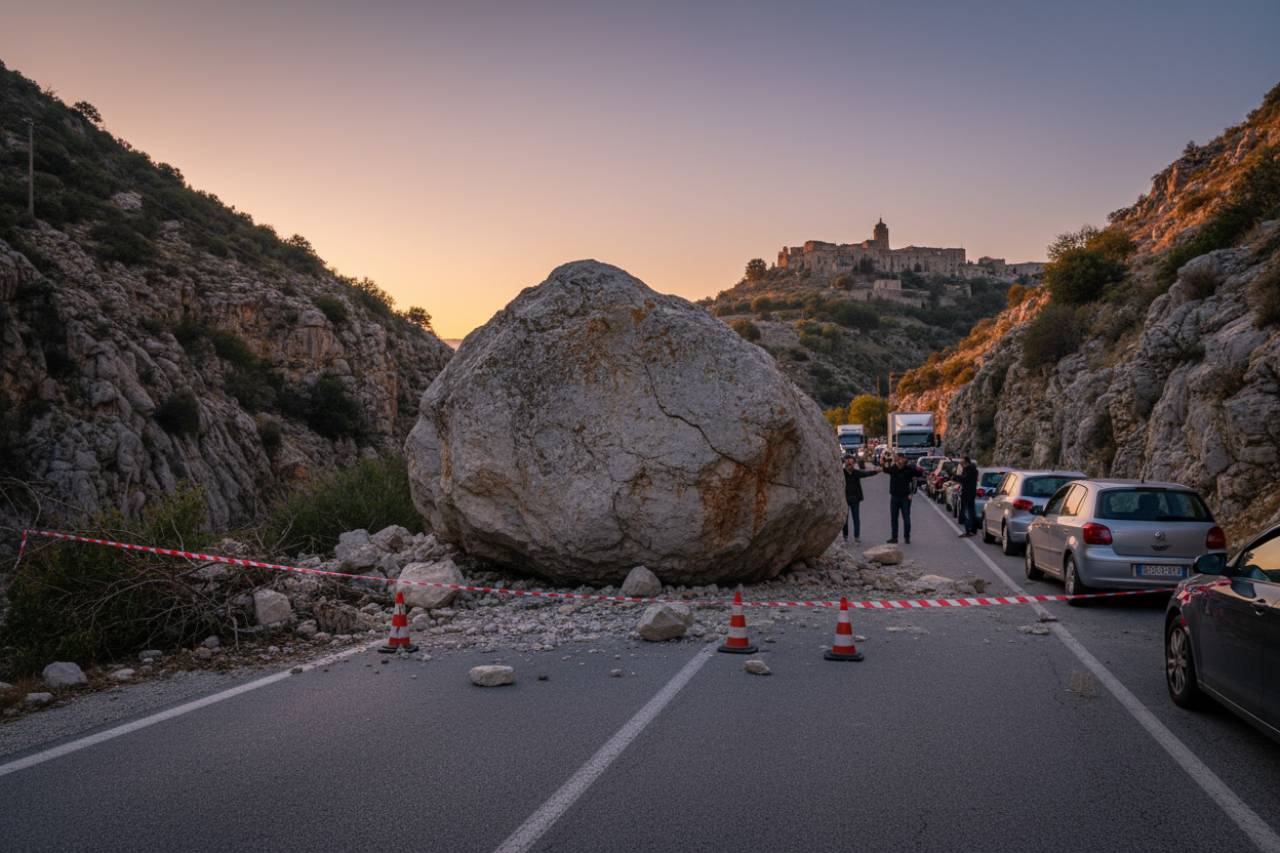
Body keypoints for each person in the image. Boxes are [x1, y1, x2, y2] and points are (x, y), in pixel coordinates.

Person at [882, 453, 924, 544]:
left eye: (901, 459)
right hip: (894, 496)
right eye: (898, 459)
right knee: (894, 518)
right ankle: (894, 537)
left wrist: (912, 493)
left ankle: (907, 537)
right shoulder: (893, 468)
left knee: (906, 518)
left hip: (906, 497)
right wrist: (884, 461)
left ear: (904, 459)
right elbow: (885, 469)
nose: (899, 460)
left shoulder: (909, 469)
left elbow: (918, 475)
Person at [841, 454, 878, 544]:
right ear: (845, 463)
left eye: (851, 463)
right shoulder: (841, 473)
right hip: (845, 498)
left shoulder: (856, 472)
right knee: (844, 520)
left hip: (855, 498)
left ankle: (857, 537)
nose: (850, 465)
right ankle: (845, 537)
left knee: (856, 518)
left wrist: (876, 471)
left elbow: (866, 473)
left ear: (854, 463)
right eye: (848, 463)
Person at [953, 455, 979, 537]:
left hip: (968, 493)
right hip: (968, 493)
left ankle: (969, 531)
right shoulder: (970, 469)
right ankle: (972, 530)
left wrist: (956, 477)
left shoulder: (970, 469)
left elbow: (965, 479)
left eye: (962, 461)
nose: (960, 462)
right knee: (971, 511)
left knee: (967, 512)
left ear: (966, 461)